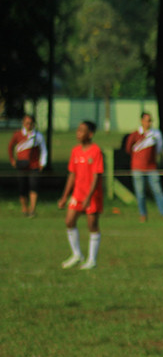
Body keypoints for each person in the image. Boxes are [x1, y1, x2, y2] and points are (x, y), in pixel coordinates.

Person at [58, 121, 103, 269]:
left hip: (92, 195)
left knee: (92, 225)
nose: (78, 133)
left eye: (82, 131)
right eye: (78, 130)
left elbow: (96, 175)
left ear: (90, 134)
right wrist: (65, 196)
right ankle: (77, 255)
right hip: (78, 193)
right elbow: (72, 174)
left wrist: (89, 197)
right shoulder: (75, 151)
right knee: (69, 221)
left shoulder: (96, 151)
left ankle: (92, 260)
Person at [124, 112, 163, 223]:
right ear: (141, 121)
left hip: (151, 167)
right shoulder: (135, 134)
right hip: (137, 168)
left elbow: (159, 149)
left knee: (158, 191)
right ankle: (143, 215)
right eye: (146, 120)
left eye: (150, 120)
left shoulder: (155, 134)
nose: (148, 123)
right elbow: (128, 149)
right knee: (140, 193)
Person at [8, 114, 48, 218]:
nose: (29, 125)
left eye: (30, 123)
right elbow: (10, 147)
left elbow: (43, 150)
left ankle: (32, 209)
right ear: (23, 123)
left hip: (34, 166)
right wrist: (12, 160)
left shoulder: (38, 135)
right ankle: (24, 208)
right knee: (22, 187)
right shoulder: (18, 134)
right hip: (22, 165)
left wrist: (42, 163)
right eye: (26, 123)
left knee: (33, 186)